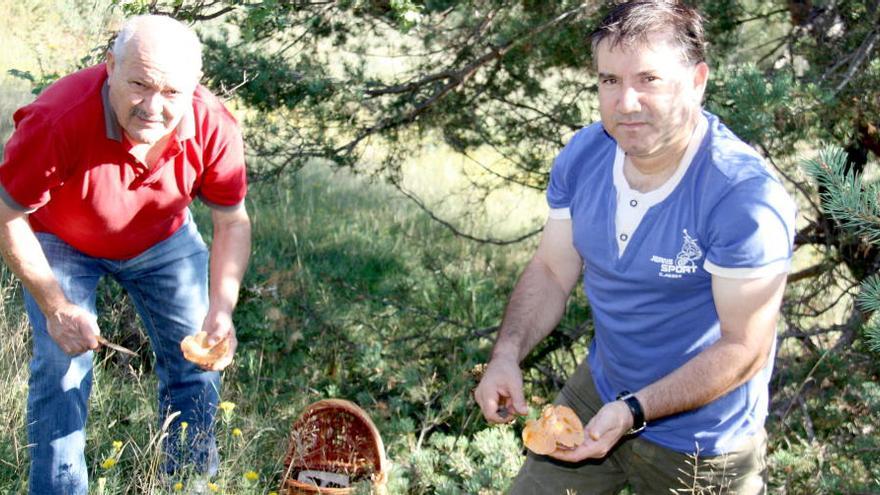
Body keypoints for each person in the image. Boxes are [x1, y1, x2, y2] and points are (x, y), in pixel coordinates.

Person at [473, 1, 796, 493]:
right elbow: (552, 270)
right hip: (601, 391)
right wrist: (506, 355)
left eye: (648, 79)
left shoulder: (741, 196)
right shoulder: (585, 156)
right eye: (609, 81)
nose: (625, 102)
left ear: (696, 81)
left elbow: (744, 348)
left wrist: (635, 410)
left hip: (703, 441)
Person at [0, 15, 251, 494]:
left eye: (172, 92)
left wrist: (222, 308)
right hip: (61, 238)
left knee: (200, 358)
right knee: (61, 364)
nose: (152, 108)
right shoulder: (57, 117)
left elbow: (232, 221)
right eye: (138, 84)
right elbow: (7, 214)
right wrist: (57, 307)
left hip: (162, 239)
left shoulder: (214, 125)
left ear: (194, 87)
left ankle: (188, 485)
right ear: (110, 65)